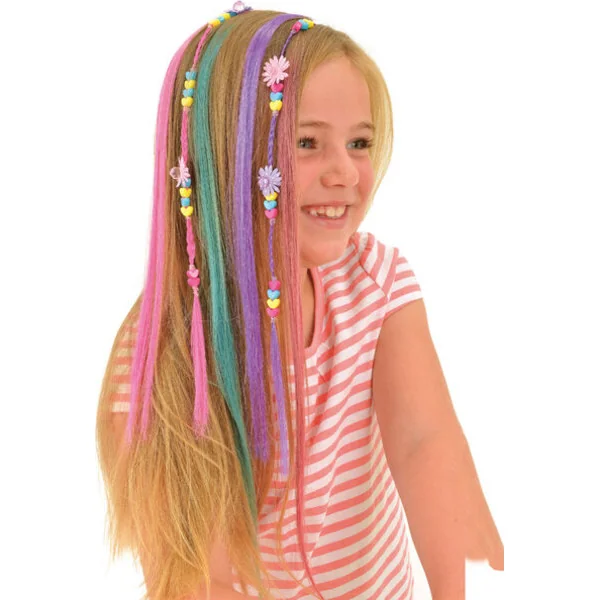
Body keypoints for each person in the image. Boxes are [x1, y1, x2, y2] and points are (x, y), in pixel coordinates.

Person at [96, 6, 503, 600]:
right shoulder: (165, 359)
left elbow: (423, 439)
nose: (345, 172)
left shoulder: (375, 282)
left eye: (359, 142)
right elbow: (196, 578)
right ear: (224, 156)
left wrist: (451, 587)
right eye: (307, 142)